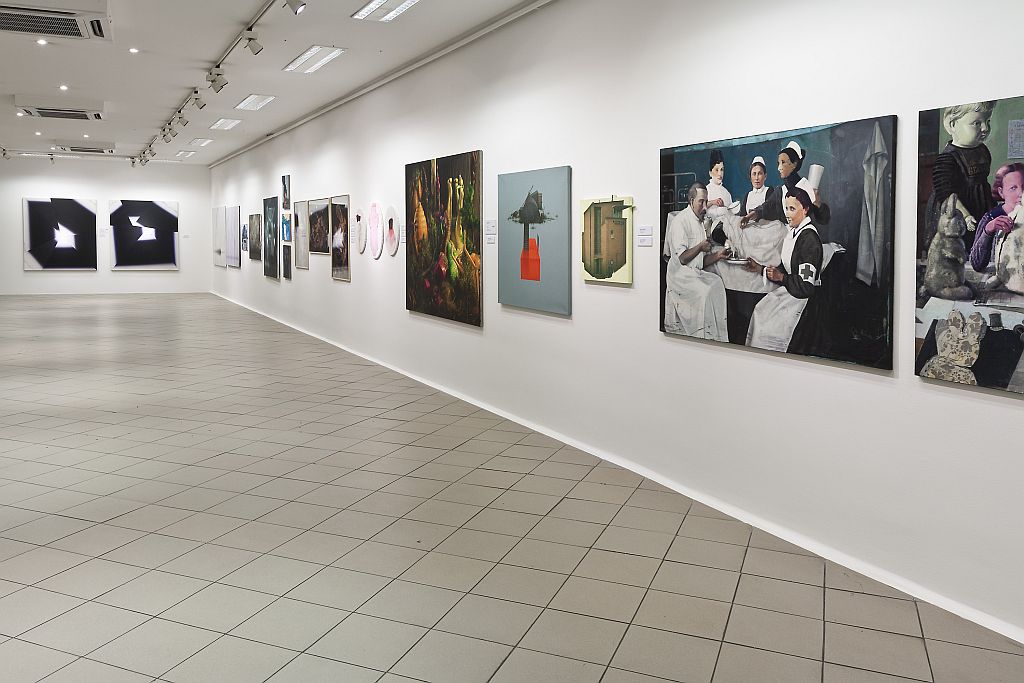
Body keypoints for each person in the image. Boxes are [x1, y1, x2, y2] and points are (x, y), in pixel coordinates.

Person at [745, 185, 830, 355]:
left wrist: (781, 278)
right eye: (786, 208)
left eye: (792, 209)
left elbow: (806, 286)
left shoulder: (809, 239)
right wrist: (760, 268)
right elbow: (786, 268)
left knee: (766, 325)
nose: (787, 214)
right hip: (793, 291)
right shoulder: (794, 233)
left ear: (805, 210)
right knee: (760, 311)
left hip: (804, 301)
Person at [927, 101, 997, 251]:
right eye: (976, 123)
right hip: (957, 210)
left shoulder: (982, 150)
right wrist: (965, 215)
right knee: (959, 247)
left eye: (987, 122)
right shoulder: (947, 158)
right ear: (953, 125)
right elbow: (946, 194)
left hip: (981, 204)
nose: (985, 128)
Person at [663, 182, 729, 341]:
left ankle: (715, 337)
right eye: (701, 202)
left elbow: (699, 262)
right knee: (705, 292)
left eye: (706, 201)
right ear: (691, 201)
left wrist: (718, 255)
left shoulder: (700, 221)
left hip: (693, 272)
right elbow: (683, 258)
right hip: (680, 277)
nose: (705, 206)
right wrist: (700, 247)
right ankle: (702, 336)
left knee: (717, 284)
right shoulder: (680, 221)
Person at [740, 141, 829, 227]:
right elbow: (765, 207)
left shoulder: (806, 187)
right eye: (778, 163)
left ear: (794, 164)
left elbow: (823, 220)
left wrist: (818, 205)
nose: (779, 168)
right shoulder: (780, 191)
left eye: (783, 162)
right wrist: (749, 216)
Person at [969, 162, 1024, 272]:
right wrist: (988, 230)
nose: (1021, 193)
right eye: (1013, 188)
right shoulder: (991, 217)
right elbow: (976, 264)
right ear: (1001, 192)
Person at [706, 149, 733, 219]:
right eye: (716, 170)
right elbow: (699, 209)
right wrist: (712, 202)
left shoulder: (726, 193)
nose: (720, 174)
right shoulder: (706, 190)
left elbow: (731, 215)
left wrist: (724, 208)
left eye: (722, 170)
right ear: (710, 173)